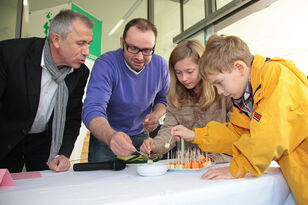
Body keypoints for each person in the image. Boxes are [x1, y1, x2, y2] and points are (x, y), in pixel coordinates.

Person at [171, 34, 308, 204]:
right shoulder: (246, 96)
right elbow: (238, 133)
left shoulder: (276, 75)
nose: (219, 92)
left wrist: (237, 168)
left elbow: (271, 133)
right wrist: (196, 136)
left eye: (219, 83)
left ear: (239, 67)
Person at [0, 9, 93, 173]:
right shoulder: (9, 55)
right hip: (6, 137)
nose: (87, 51)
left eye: (88, 44)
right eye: (80, 43)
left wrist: (63, 154)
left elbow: (71, 118)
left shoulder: (80, 73)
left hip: (45, 144)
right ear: (56, 40)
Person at [82, 18, 170, 162]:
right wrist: (111, 137)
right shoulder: (106, 64)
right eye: (133, 48)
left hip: (141, 136)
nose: (140, 57)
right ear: (122, 43)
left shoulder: (160, 65)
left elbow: (163, 98)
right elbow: (92, 109)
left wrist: (155, 114)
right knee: (102, 182)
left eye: (147, 50)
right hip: (107, 136)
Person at [140, 39, 232, 163]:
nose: (184, 78)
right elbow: (169, 131)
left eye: (190, 72)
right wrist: (154, 145)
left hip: (226, 163)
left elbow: (235, 132)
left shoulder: (224, 91)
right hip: (195, 166)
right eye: (178, 73)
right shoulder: (175, 96)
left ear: (203, 66)